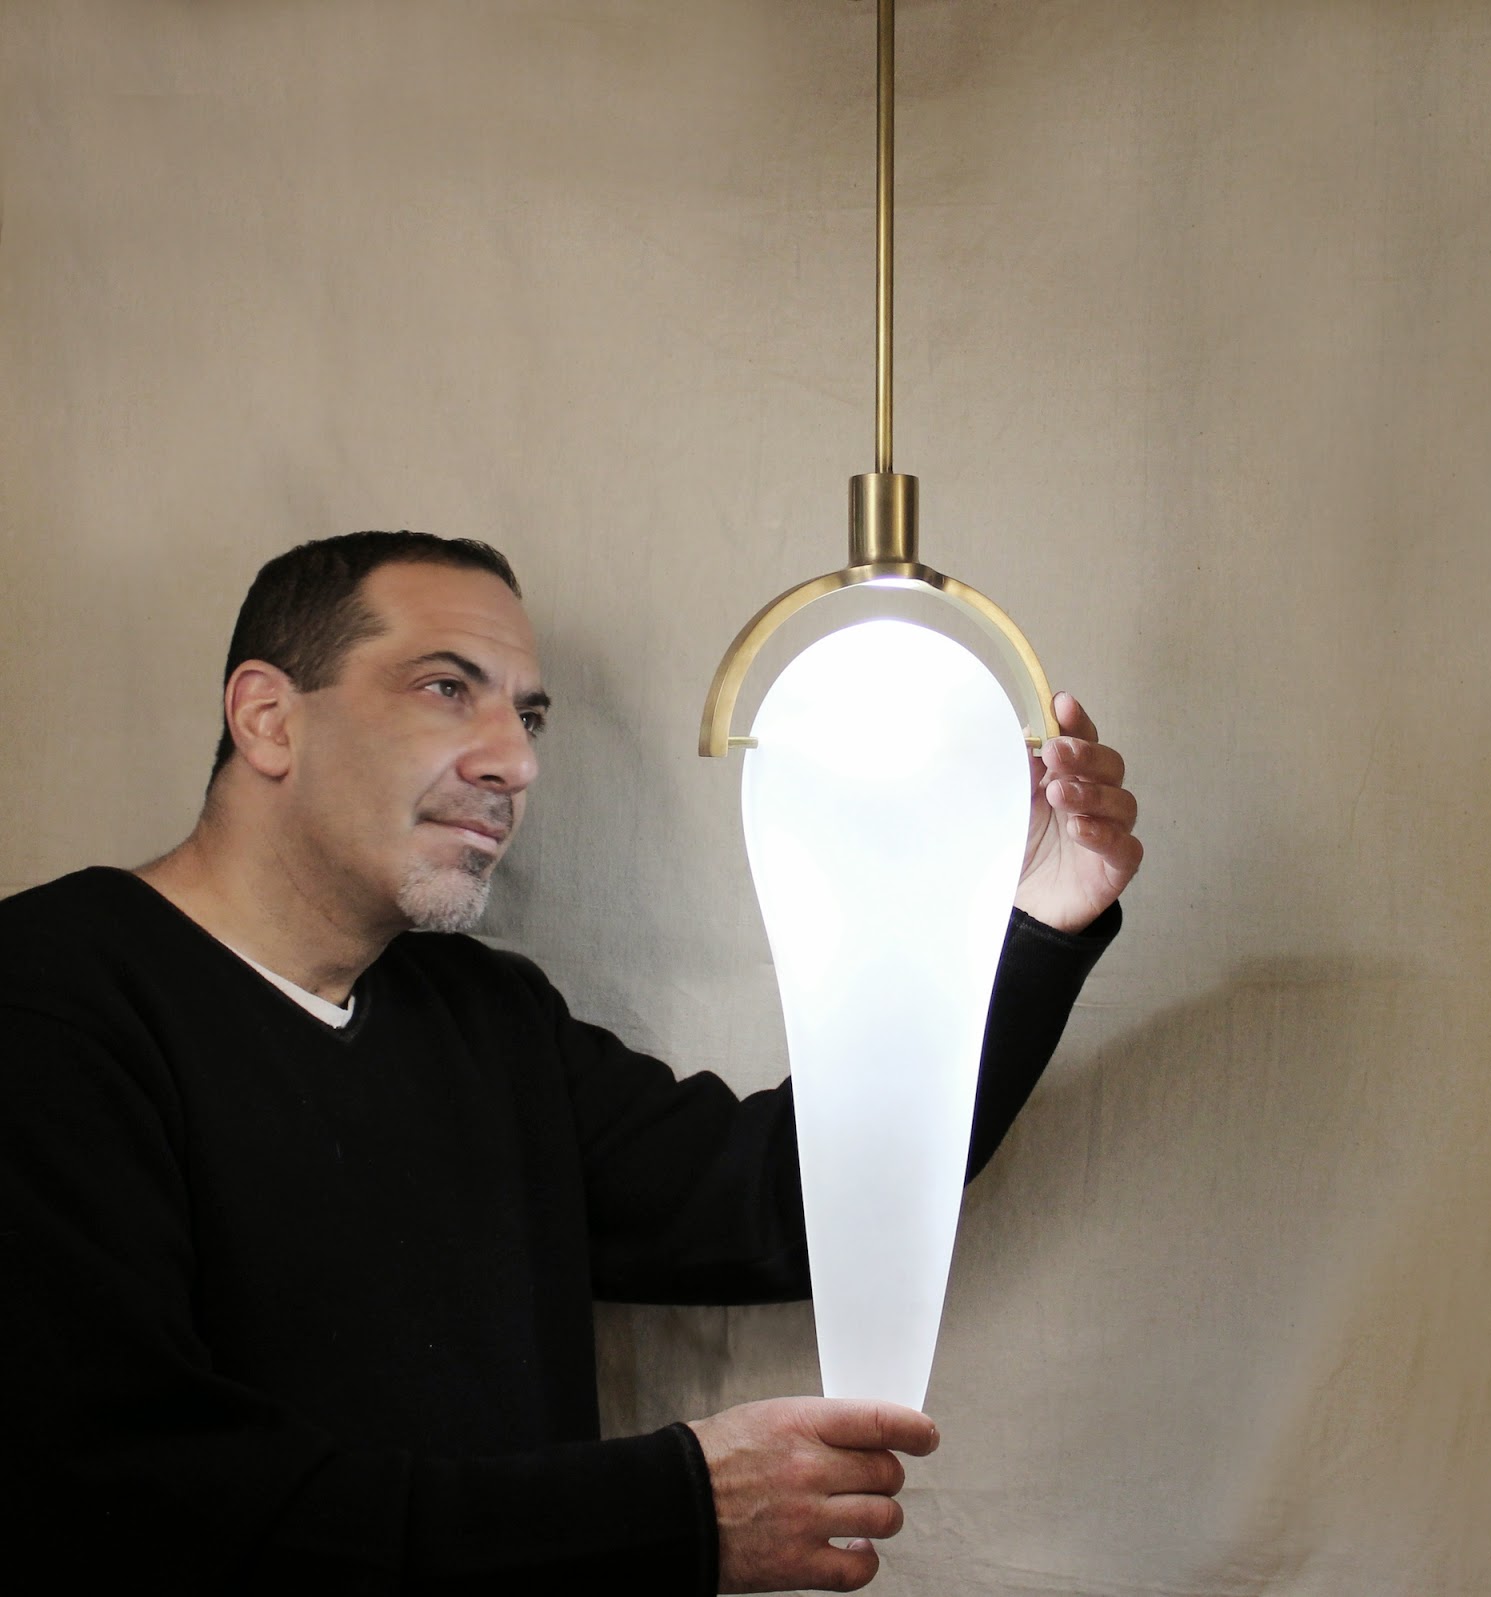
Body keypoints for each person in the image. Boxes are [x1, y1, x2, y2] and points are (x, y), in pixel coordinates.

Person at [0, 531, 1141, 1593]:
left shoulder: (486, 1017)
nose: (515, 762)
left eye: (529, 716)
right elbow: (135, 1501)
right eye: (445, 688)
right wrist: (676, 1510)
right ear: (267, 717)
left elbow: (781, 1202)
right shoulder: (48, 1003)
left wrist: (1040, 926)